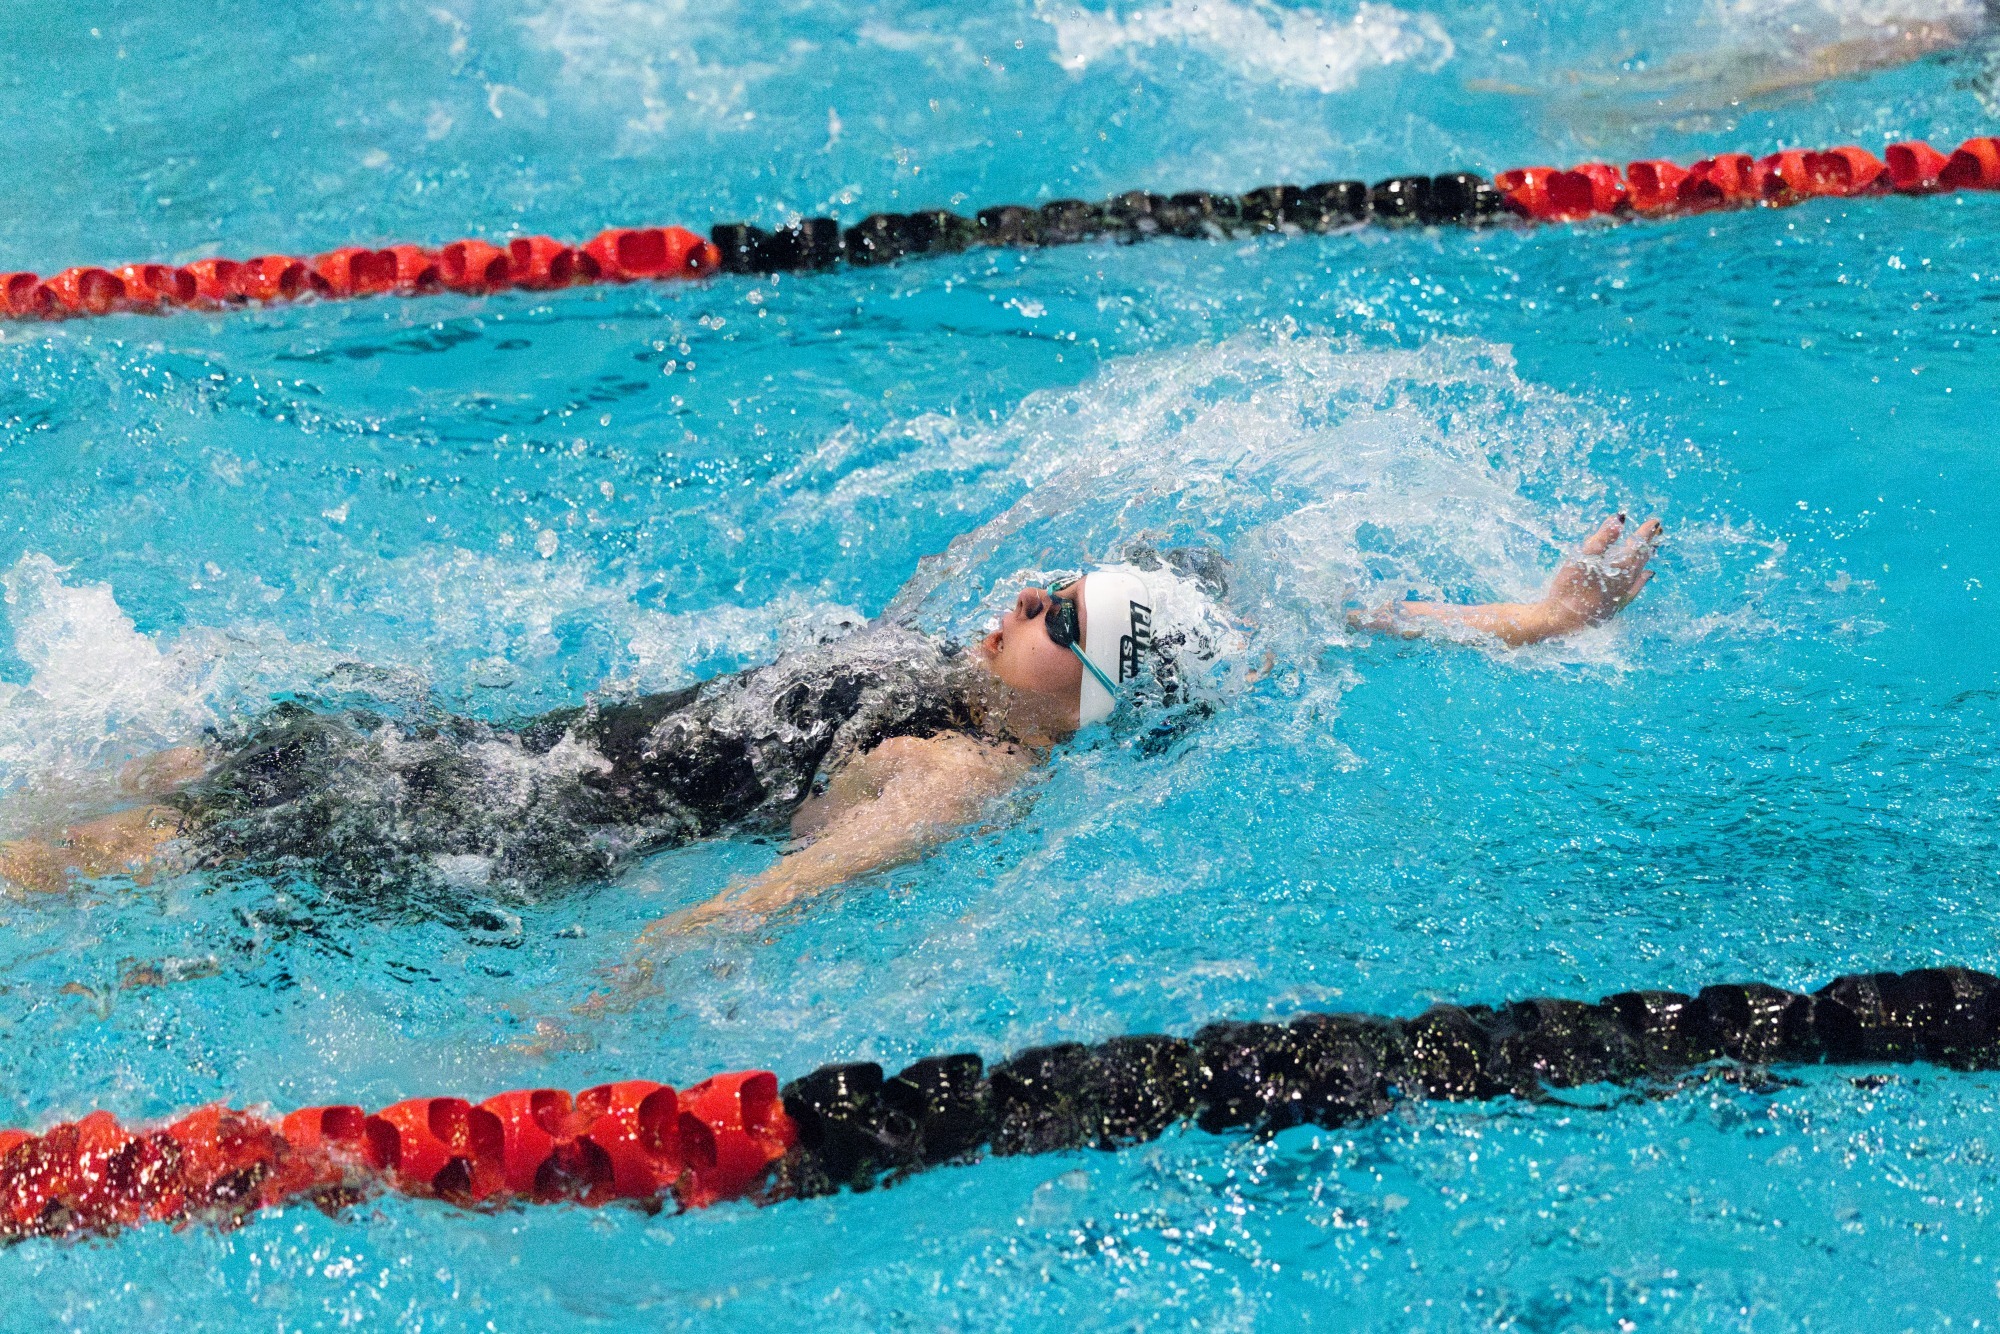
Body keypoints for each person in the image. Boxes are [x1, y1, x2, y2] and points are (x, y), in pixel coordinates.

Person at [0, 515, 1663, 932]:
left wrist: (552, 1045)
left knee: (158, 836)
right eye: (1053, 581)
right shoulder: (983, 678)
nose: (1026, 594)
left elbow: (759, 906)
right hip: (486, 748)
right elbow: (1298, 619)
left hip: (491, 837)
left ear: (1088, 699)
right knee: (187, 759)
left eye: (1059, 614)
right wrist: (1515, 619)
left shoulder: (955, 770)